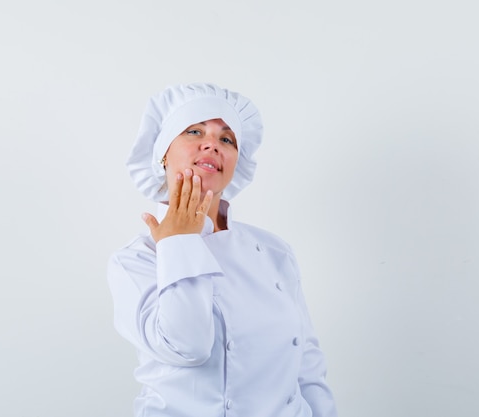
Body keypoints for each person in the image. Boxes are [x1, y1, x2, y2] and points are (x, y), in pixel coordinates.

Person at [107, 82, 338, 417]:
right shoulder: (135, 260)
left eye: (226, 139)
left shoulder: (275, 252)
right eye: (194, 130)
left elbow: (307, 365)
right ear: (162, 154)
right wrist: (179, 242)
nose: (212, 145)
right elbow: (188, 347)